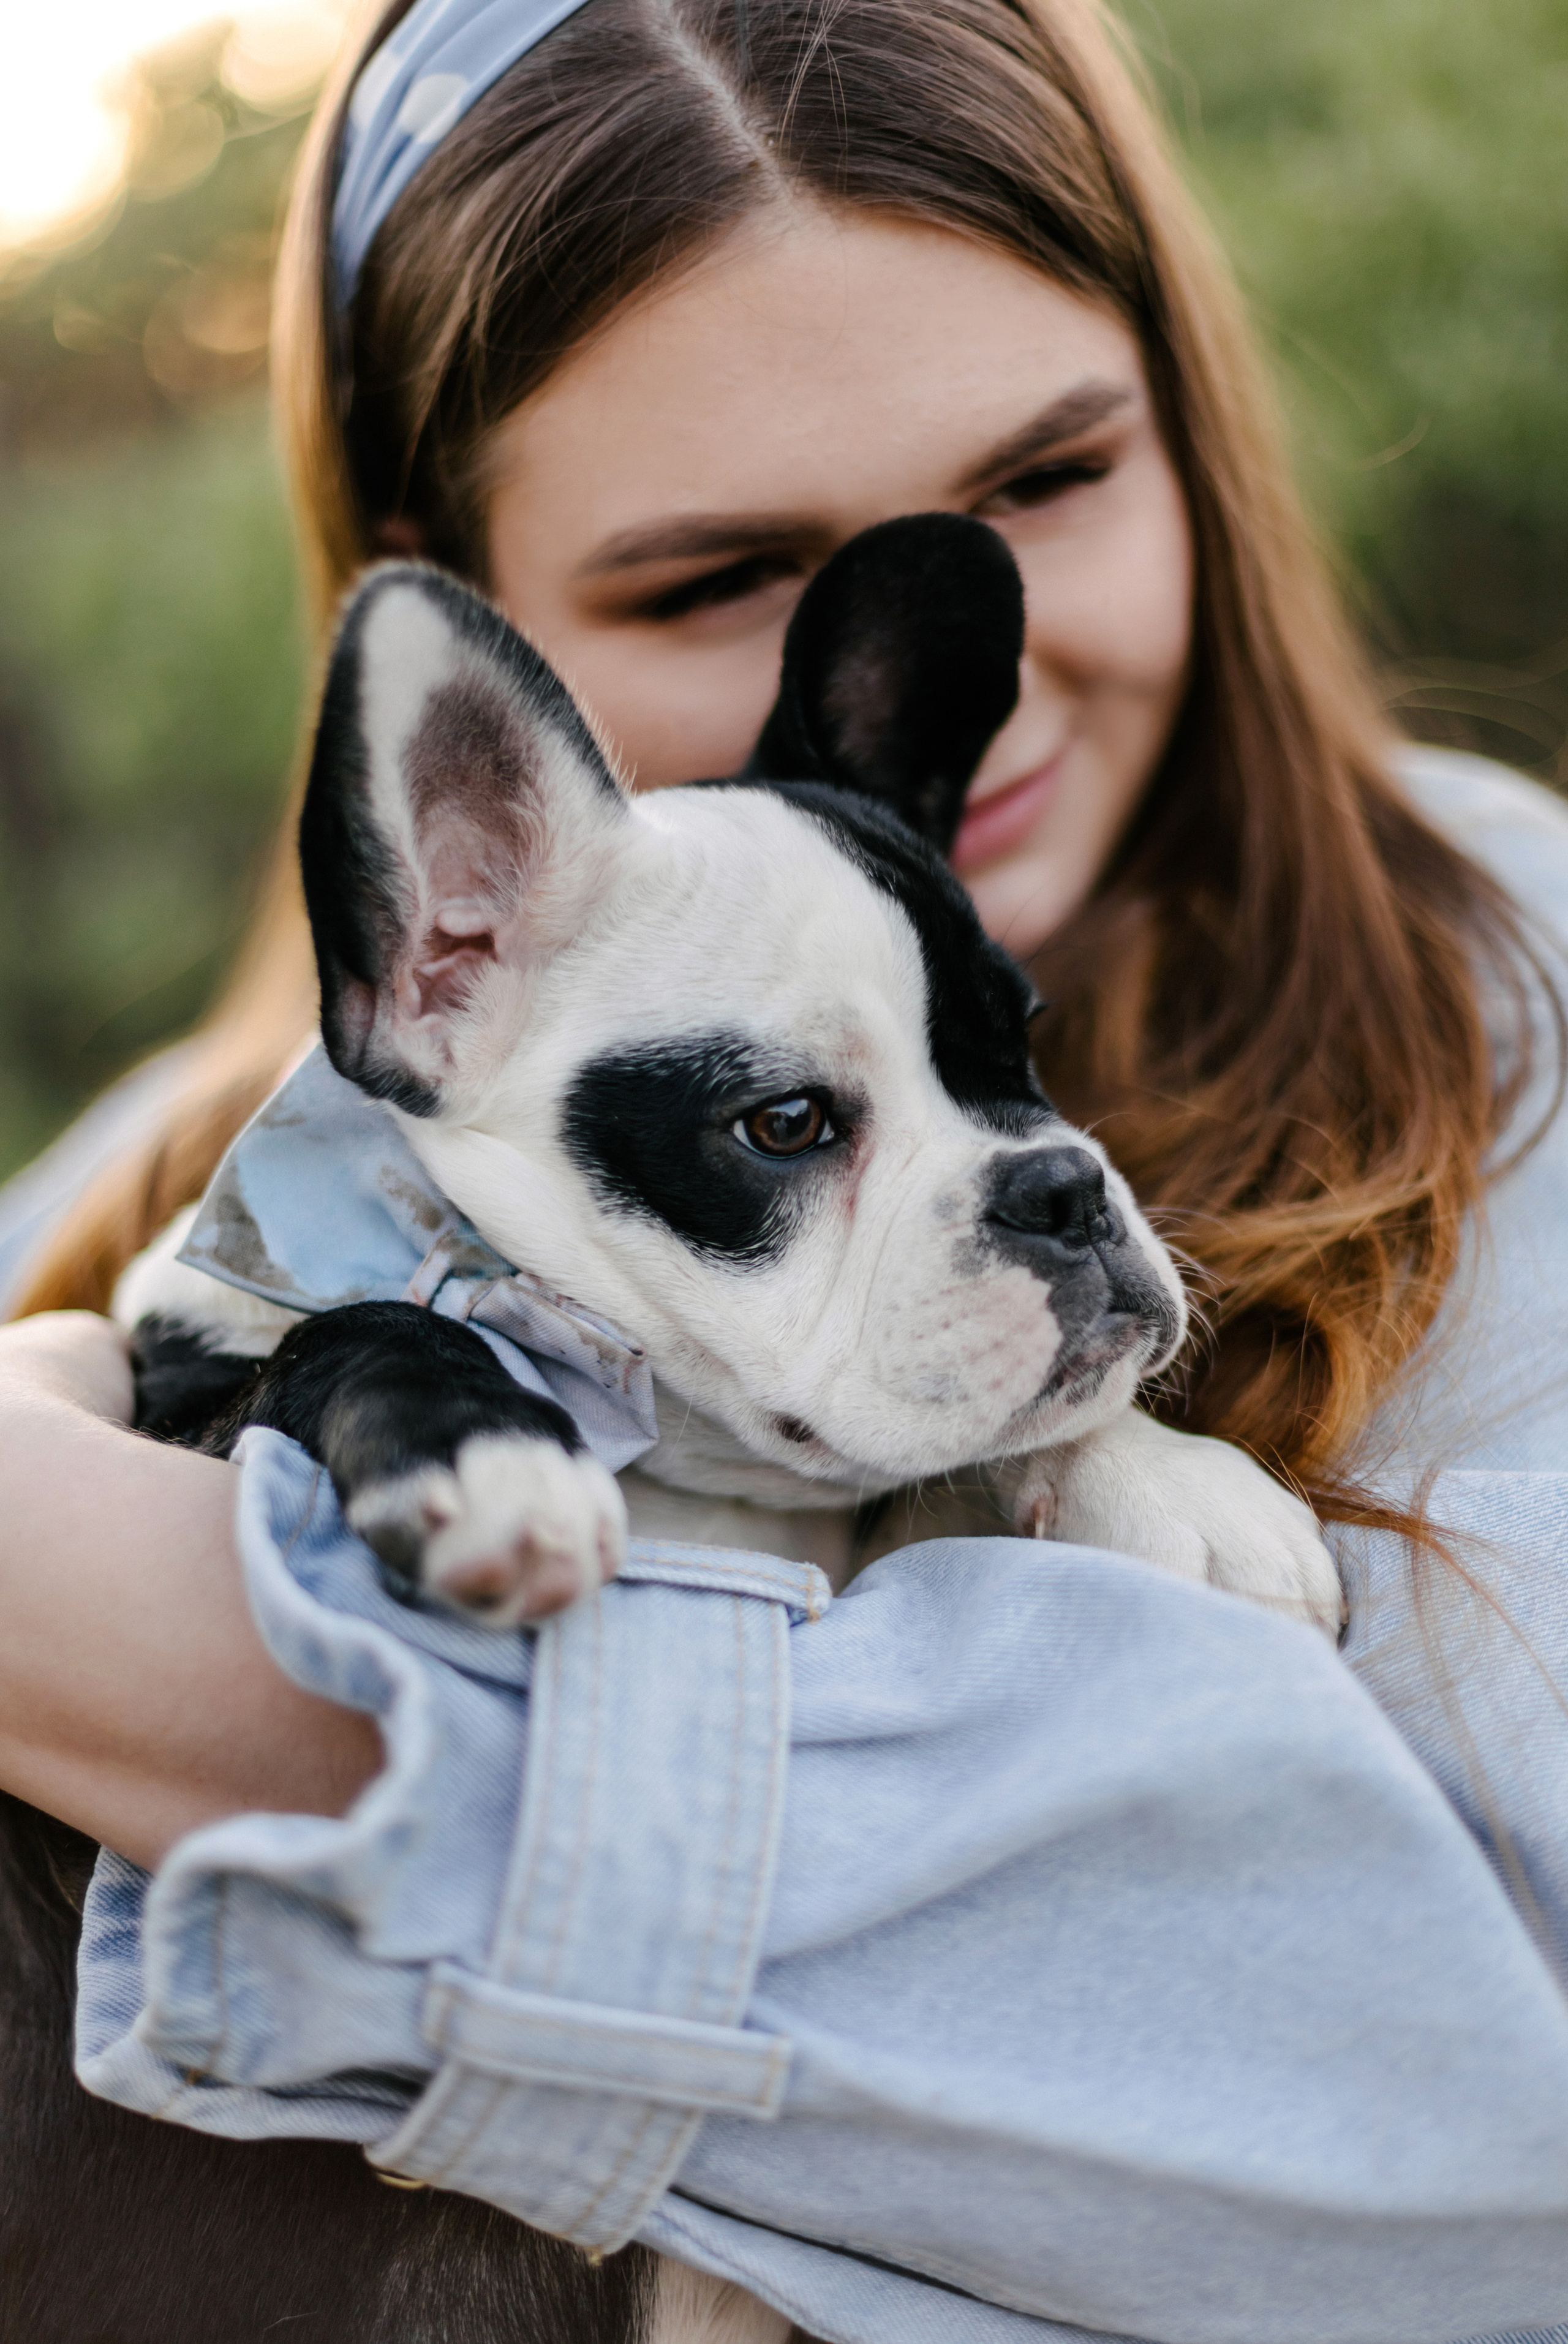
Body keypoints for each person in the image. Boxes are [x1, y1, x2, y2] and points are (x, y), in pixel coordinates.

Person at [4, 1, 1568, 2337]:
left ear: (1191, 420)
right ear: (462, 703)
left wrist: (270, 1698)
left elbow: (1494, 2153)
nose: (974, 684)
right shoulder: (160, 1180)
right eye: (714, 573)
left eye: (1043, 485)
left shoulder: (1514, 1019)